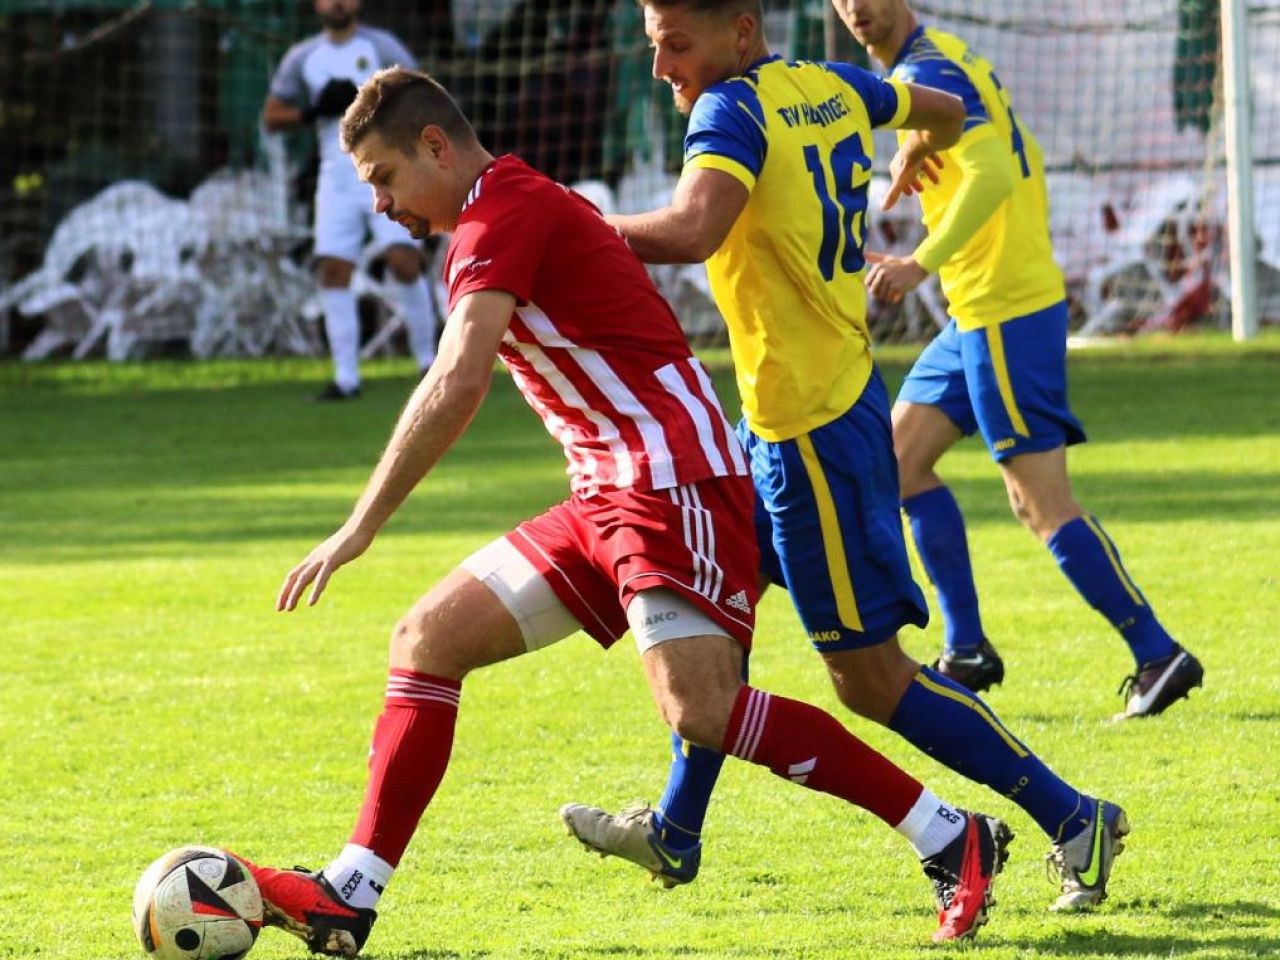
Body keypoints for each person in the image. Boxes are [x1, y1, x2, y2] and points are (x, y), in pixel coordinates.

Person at [238, 66, 1013, 957]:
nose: (380, 205)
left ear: (436, 147)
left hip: (672, 481)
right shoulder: (502, 208)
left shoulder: (500, 217)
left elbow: (457, 379)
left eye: (383, 178)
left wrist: (359, 526)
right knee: (425, 640)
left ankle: (949, 836)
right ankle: (351, 893)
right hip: (609, 489)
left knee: (702, 709)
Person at [559, 0, 1127, 916]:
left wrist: (569, 223)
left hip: (814, 433)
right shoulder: (834, 87)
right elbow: (943, 111)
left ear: (741, 33)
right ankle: (676, 825)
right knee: (718, 606)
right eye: (655, 44)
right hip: (793, 416)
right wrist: (913, 143)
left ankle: (1073, 816)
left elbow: (695, 229)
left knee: (870, 680)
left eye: (678, 44)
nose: (663, 66)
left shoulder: (732, 109)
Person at [829, 0, 1205, 718]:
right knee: (900, 461)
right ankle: (967, 649)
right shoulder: (938, 62)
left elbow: (996, 173)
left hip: (1004, 309)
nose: (857, 8)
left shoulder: (930, 72)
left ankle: (1157, 652)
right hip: (980, 309)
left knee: (1038, 502)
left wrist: (919, 262)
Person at [263, 0, 438, 400]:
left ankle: (429, 363)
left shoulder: (382, 46)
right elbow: (272, 116)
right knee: (332, 269)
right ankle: (346, 378)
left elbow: (423, 95)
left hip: (386, 169)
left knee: (402, 260)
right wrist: (310, 113)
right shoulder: (302, 57)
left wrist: (376, 106)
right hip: (335, 178)